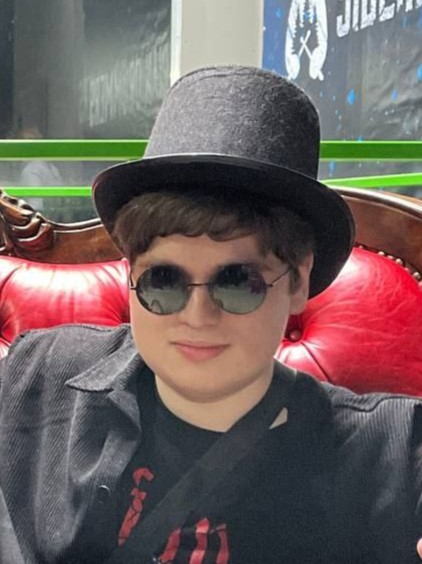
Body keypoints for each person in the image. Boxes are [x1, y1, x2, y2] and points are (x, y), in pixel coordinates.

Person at [1, 65, 422, 563]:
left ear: (298, 281)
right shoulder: (39, 375)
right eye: (163, 281)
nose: (197, 315)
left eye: (238, 283)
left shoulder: (392, 454)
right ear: (131, 276)